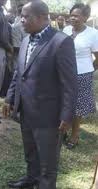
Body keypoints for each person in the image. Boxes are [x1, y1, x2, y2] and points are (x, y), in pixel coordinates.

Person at [6, 1, 77, 189]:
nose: (21, 19)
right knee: (30, 152)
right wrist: (10, 97)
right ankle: (31, 179)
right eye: (21, 15)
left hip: (49, 115)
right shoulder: (26, 39)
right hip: (26, 110)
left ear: (42, 17)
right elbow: (18, 72)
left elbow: (69, 83)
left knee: (48, 161)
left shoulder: (61, 41)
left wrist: (67, 114)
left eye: (26, 16)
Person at [63, 3, 98, 149]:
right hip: (64, 73)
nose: (73, 18)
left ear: (85, 17)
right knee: (64, 102)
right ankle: (63, 128)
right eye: (71, 15)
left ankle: (75, 135)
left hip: (82, 75)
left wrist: (89, 69)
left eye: (76, 16)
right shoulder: (65, 30)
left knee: (78, 106)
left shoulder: (93, 33)